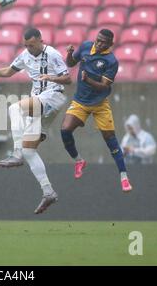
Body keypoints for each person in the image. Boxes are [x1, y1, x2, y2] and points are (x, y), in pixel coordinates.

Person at [0, 27, 72, 214]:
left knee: (14, 108)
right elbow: (7, 72)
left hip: (53, 97)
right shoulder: (25, 55)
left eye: (32, 45)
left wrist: (51, 77)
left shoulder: (52, 54)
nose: (29, 49)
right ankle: (48, 192)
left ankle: (15, 154)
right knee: (29, 151)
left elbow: (68, 79)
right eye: (26, 46)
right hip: (41, 104)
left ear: (40, 40)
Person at [60, 29, 133, 192]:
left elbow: (104, 86)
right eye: (98, 40)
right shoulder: (86, 46)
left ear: (110, 44)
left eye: (103, 42)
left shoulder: (111, 61)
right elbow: (71, 64)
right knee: (65, 130)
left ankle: (124, 177)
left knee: (110, 139)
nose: (98, 44)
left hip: (100, 103)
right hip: (80, 101)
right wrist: (70, 54)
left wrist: (88, 80)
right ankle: (79, 161)